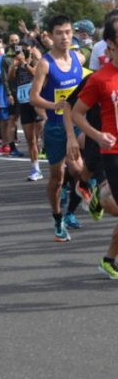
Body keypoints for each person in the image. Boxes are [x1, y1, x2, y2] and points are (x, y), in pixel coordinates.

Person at [29, 15, 86, 242]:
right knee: (57, 178)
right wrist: (55, 105)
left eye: (68, 32)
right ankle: (57, 217)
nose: (65, 37)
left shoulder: (78, 58)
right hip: (55, 126)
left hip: (77, 124)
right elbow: (33, 97)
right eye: (60, 33)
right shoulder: (45, 63)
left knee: (80, 169)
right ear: (50, 36)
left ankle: (72, 210)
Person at [72, 14, 118, 278]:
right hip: (113, 152)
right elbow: (77, 112)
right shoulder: (100, 79)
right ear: (110, 44)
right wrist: (96, 135)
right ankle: (100, 195)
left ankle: (109, 259)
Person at [8, 39, 45, 181]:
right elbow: (10, 78)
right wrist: (14, 64)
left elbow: (37, 74)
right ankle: (35, 168)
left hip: (36, 103)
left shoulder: (35, 61)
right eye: (20, 49)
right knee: (31, 140)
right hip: (23, 103)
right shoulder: (18, 63)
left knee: (41, 135)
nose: (22, 52)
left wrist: (25, 63)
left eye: (24, 49)